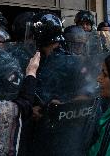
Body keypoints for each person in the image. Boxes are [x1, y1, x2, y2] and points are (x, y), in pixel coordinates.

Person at [30, 12, 99, 156]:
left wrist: (60, 106)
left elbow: (90, 94)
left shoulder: (70, 62)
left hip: (67, 131)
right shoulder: (33, 59)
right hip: (39, 133)